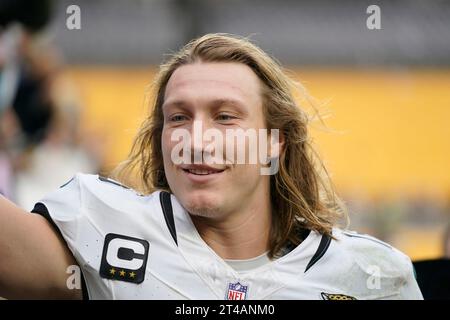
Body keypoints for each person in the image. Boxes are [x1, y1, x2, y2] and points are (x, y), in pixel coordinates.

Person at [0, 34, 423, 300]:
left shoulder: (372, 277)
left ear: (274, 143)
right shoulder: (107, 229)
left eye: (225, 117)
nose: (195, 140)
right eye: (178, 117)